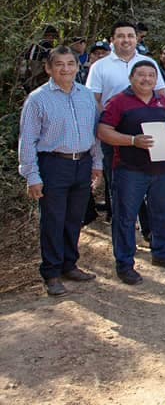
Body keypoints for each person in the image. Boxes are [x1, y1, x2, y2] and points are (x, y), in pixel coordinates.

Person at [18, 46, 103, 296]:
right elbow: (28, 140)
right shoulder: (38, 99)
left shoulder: (86, 96)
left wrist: (97, 163)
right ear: (48, 68)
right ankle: (52, 272)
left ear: (78, 67)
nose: (65, 69)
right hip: (53, 164)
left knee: (74, 218)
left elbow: (95, 133)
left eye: (70, 64)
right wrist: (32, 176)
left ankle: (69, 264)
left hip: (82, 163)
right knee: (53, 220)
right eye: (59, 64)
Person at [98, 61, 165, 285]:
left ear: (157, 79)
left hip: (160, 169)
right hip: (129, 170)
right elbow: (103, 131)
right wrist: (132, 141)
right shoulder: (118, 102)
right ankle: (125, 264)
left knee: (162, 213)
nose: (146, 79)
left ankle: (162, 254)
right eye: (141, 75)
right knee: (125, 218)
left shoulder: (162, 101)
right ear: (131, 78)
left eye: (151, 76)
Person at [86, 21, 165, 225]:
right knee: (121, 185)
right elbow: (92, 101)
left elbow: (162, 96)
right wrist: (113, 126)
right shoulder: (99, 66)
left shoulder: (149, 62)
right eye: (120, 36)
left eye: (130, 36)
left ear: (137, 38)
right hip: (115, 136)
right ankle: (123, 234)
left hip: (151, 136)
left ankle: (149, 230)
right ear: (112, 40)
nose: (126, 40)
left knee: (152, 184)